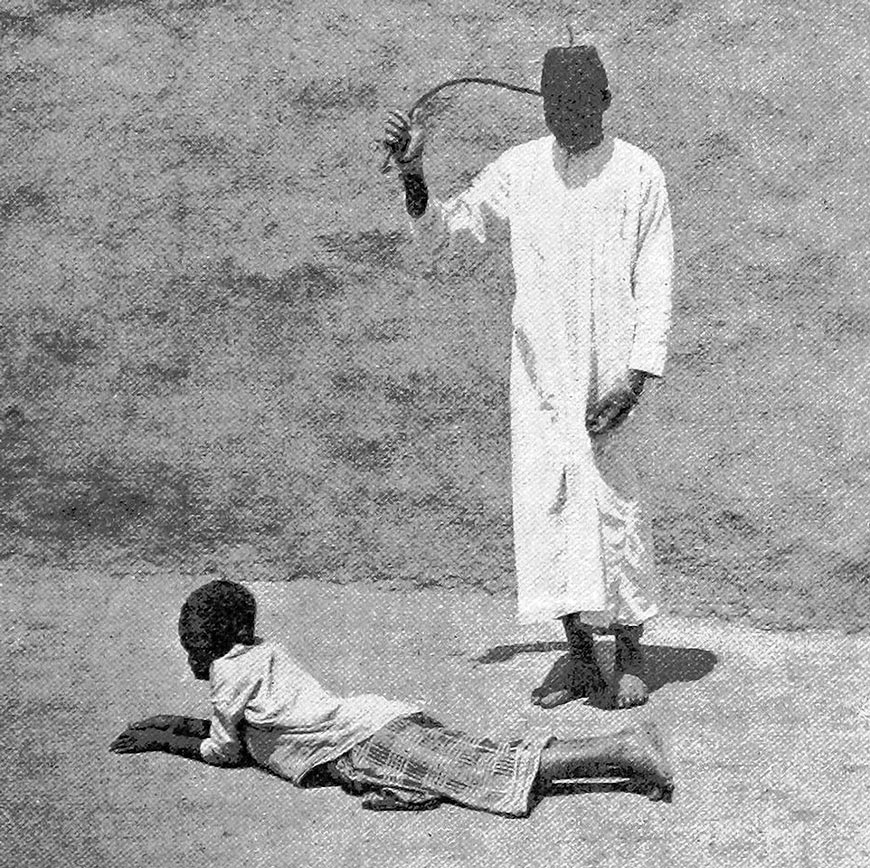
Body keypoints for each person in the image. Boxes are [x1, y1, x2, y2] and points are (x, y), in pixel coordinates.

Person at [383, 44, 673, 710]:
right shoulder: (520, 169)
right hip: (541, 379)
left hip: (611, 382)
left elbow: (656, 280)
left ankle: (629, 652)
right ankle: (577, 656)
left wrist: (632, 379)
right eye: (556, 110)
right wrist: (414, 173)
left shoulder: (639, 174)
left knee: (617, 512)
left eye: (580, 106)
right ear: (543, 110)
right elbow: (449, 228)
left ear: (605, 100)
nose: (569, 121)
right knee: (549, 512)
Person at [109, 579, 674, 816]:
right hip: (375, 720)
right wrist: (174, 725)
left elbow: (224, 750)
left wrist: (168, 737)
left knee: (487, 770)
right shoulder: (264, 651)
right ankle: (621, 751)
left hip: (365, 743)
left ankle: (626, 748)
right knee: (478, 764)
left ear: (218, 646)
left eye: (194, 650)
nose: (193, 662)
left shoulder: (229, 676)